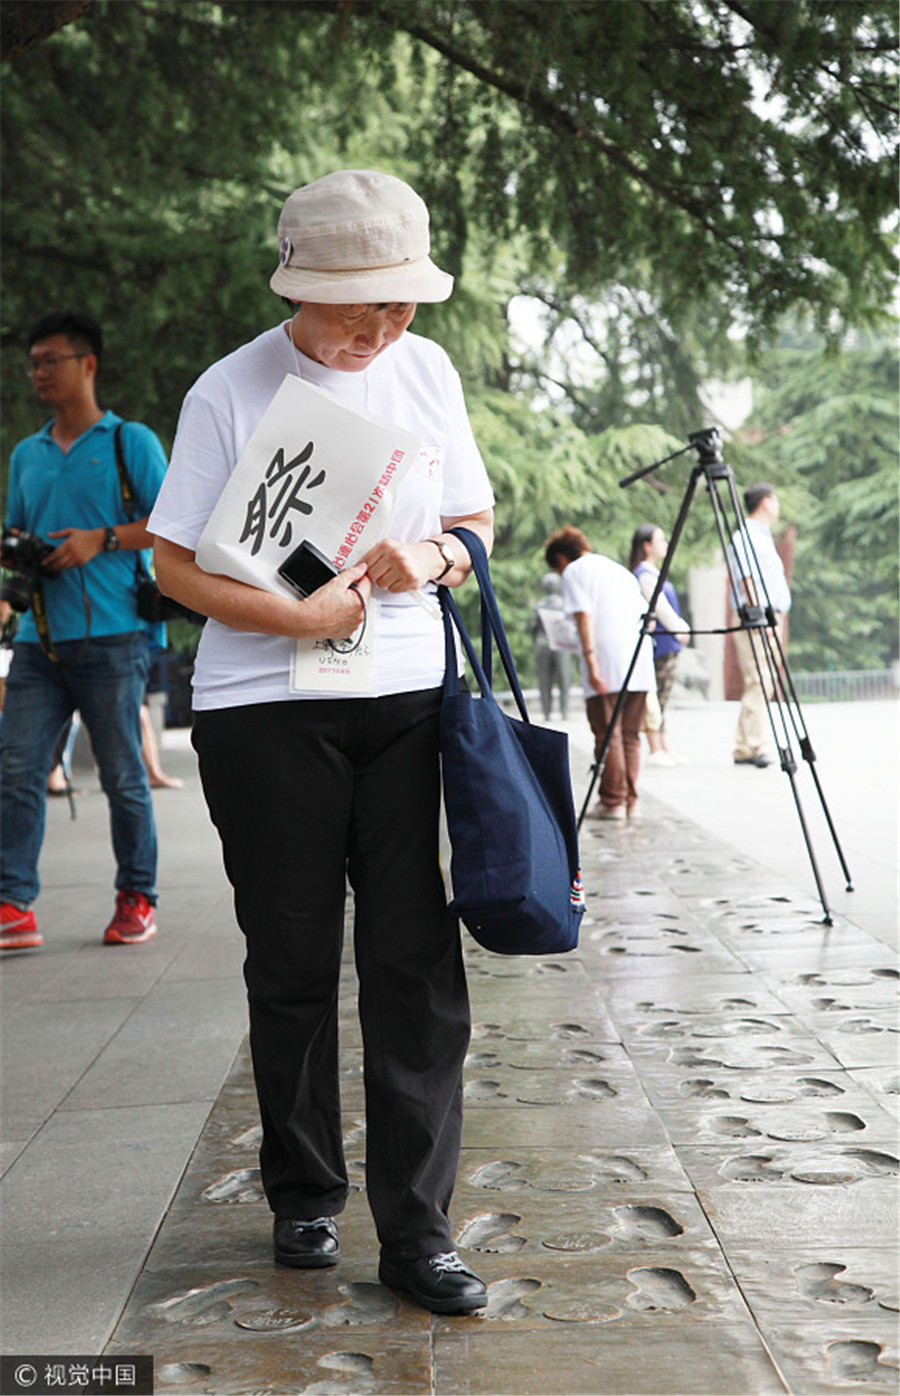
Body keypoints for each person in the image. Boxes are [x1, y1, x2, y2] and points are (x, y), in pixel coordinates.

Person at [149, 170, 495, 1315]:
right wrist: (298, 615)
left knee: (413, 961)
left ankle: (420, 1231)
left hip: (404, 695)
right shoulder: (229, 390)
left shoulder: (426, 369)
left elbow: (472, 523)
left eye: (401, 306)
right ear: (302, 286)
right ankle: (303, 1189)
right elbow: (174, 564)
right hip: (263, 709)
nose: (385, 329)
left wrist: (434, 560)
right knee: (291, 959)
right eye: (364, 308)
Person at [0, 311, 166, 952]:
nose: (40, 372)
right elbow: (16, 536)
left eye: (51, 360)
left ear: (87, 364)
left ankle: (137, 898)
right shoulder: (26, 453)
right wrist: (19, 552)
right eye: (33, 363)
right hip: (39, 644)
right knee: (17, 771)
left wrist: (104, 540)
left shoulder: (131, 442)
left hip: (114, 639)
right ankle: (13, 904)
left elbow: (177, 522)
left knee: (124, 778)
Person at [545, 525, 654, 820]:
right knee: (631, 734)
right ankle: (631, 800)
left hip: (607, 657)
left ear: (561, 559)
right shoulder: (619, 570)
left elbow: (583, 616)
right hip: (640, 657)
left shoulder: (575, 572)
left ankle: (613, 801)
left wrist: (591, 663)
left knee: (608, 734)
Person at [729, 482, 791, 768]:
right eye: (775, 500)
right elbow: (748, 578)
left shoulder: (761, 536)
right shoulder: (747, 536)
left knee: (764, 680)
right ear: (765, 502)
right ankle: (754, 744)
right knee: (759, 679)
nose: (777, 506)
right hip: (758, 616)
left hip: (769, 615)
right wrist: (760, 615)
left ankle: (744, 745)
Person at [629, 524, 690, 767]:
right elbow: (660, 607)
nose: (664, 544)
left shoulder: (652, 572)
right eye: (660, 540)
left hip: (667, 641)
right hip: (660, 642)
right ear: (647, 545)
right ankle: (656, 747)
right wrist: (679, 627)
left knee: (663, 695)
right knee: (656, 695)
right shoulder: (644, 573)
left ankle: (663, 745)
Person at [530, 571, 572, 721]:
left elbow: (534, 628)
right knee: (564, 678)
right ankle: (564, 711)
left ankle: (547, 713)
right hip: (561, 644)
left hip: (542, 644)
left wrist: (535, 644)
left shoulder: (539, 605)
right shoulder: (564, 604)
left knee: (544, 680)